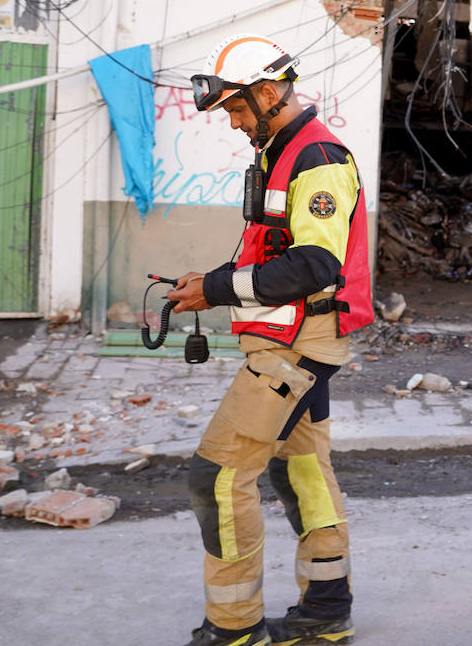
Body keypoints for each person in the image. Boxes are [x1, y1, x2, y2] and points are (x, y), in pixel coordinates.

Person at [167, 33, 373, 646]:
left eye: (236, 108)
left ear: (267, 92)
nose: (233, 122)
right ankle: (326, 611)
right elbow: (275, 252)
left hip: (297, 348)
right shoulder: (280, 152)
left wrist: (217, 289)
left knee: (217, 476)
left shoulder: (316, 157)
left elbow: (315, 265)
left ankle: (234, 628)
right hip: (293, 341)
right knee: (301, 471)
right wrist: (209, 282)